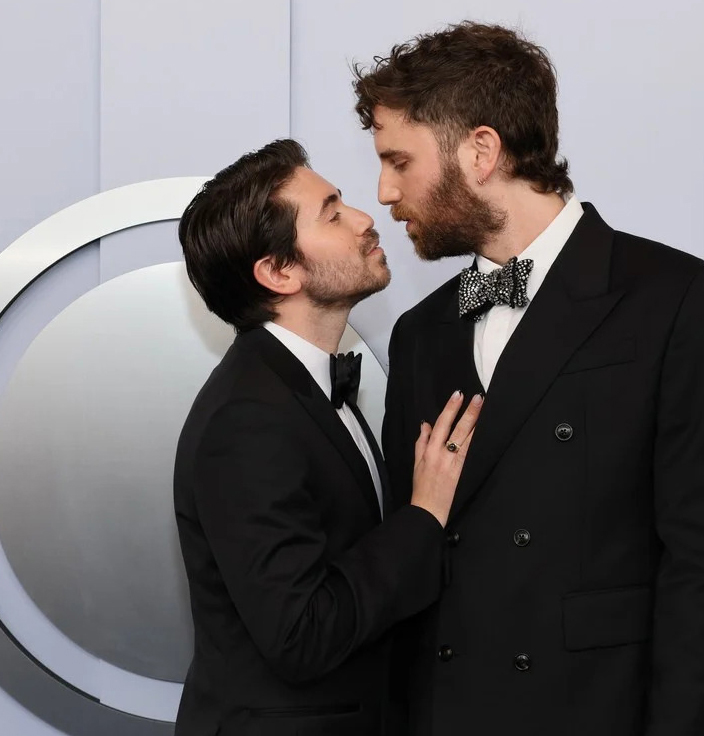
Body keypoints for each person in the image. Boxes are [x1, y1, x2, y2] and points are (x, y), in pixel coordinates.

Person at [352, 21, 704, 735]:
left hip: (593, 710)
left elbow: (703, 559)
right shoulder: (420, 333)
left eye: (397, 160)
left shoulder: (679, 301)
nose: (385, 191)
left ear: (481, 150)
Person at [173, 138, 481, 736]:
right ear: (278, 271)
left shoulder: (300, 391)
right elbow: (300, 634)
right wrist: (423, 516)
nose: (366, 218)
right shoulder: (246, 419)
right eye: (333, 214)